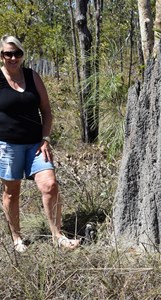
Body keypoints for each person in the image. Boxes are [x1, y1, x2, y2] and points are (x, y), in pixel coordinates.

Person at [0, 35, 80, 252]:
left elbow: (46, 110)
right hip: (7, 147)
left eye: (17, 53)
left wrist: (45, 139)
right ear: (1, 56)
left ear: (22, 55)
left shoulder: (32, 76)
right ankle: (17, 238)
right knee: (11, 192)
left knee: (50, 186)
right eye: (8, 53)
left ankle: (58, 236)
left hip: (36, 145)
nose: (13, 57)